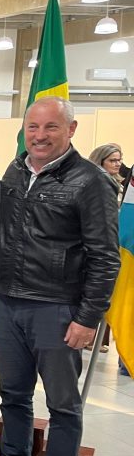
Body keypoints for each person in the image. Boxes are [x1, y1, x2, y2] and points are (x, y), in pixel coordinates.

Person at [0, 97, 119, 456]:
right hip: (8, 302)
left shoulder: (91, 181)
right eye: (33, 127)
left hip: (57, 307)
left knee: (62, 401)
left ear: (71, 129)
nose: (40, 136)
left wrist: (88, 317)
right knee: (13, 393)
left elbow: (105, 257)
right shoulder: (15, 171)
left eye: (51, 127)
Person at [89, 143, 125, 354]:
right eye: (113, 160)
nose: (118, 164)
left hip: (117, 245)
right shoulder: (93, 184)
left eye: (119, 160)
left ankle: (99, 340)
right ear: (100, 161)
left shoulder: (119, 186)